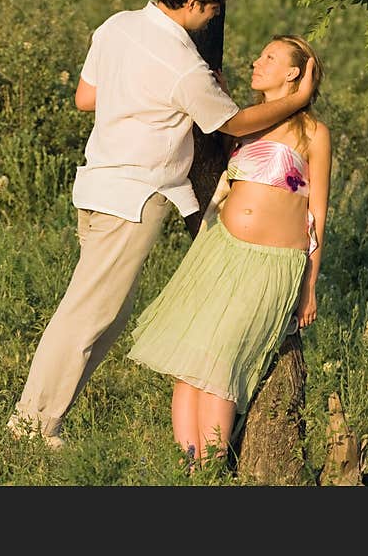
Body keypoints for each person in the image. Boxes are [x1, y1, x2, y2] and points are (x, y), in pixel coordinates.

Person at [6, 0, 317, 449]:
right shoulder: (183, 64)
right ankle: (32, 423)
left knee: (105, 314)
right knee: (88, 313)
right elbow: (232, 123)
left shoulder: (117, 26)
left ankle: (48, 417)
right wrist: (296, 101)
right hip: (136, 195)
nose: (215, 15)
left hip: (97, 185)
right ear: (194, 3)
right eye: (214, 6)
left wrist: (137, 95)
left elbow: (87, 97)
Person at [126, 34, 330, 469]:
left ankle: (213, 466)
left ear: (294, 73)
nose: (258, 61)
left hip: (270, 264)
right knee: (189, 364)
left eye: (270, 57)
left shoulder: (313, 133)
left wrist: (309, 285)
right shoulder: (246, 121)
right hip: (220, 251)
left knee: (221, 368)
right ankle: (188, 468)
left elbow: (318, 215)